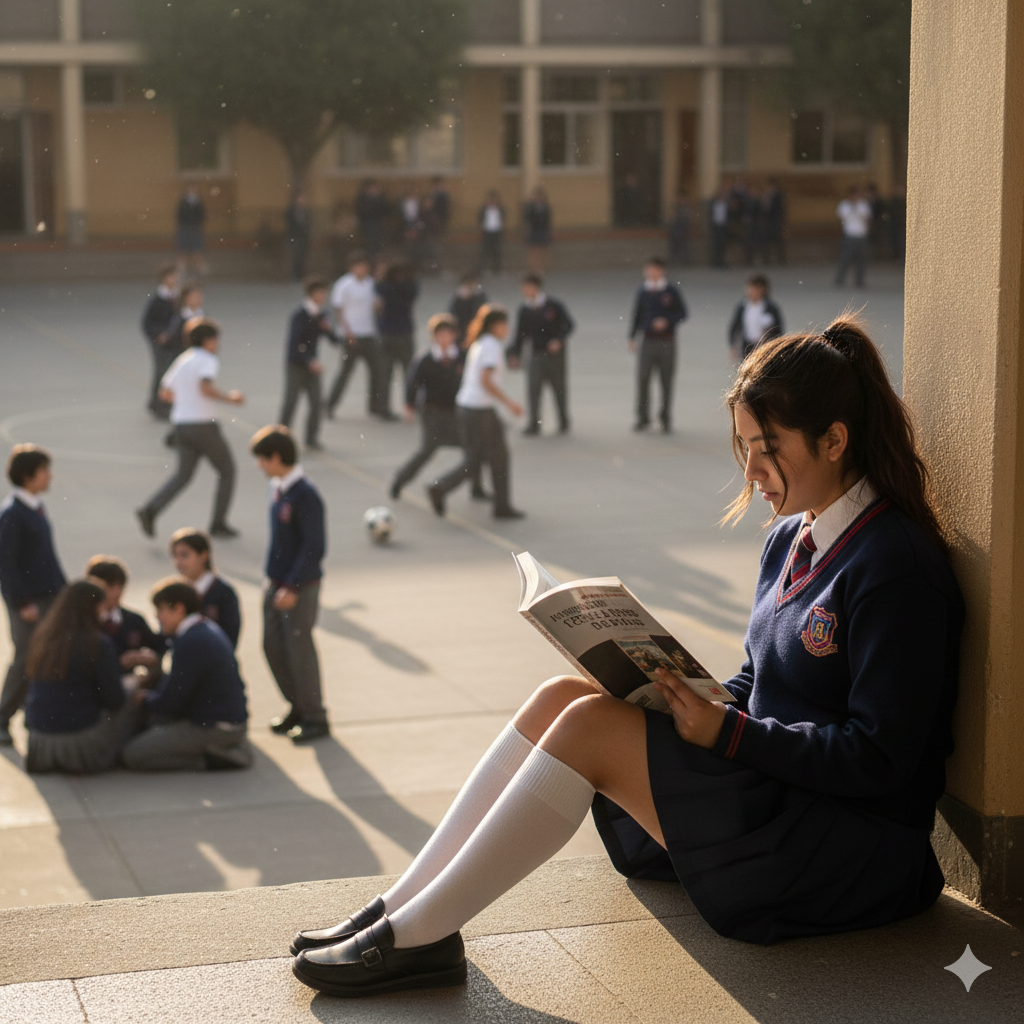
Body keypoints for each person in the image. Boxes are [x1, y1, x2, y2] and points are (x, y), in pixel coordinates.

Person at [288, 315, 965, 998]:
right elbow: (763, 680)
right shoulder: (793, 536)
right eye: (743, 447)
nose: (751, 470)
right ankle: (402, 908)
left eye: (767, 447)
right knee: (565, 697)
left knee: (587, 730)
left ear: (835, 440)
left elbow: (883, 759)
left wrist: (729, 731)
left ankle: (418, 940)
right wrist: (661, 685)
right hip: (783, 794)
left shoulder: (894, 565)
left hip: (855, 850)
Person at [250, 426, 330, 743]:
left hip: (297, 588)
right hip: (276, 582)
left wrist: (293, 586)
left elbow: (314, 547)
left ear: (277, 457)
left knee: (299, 651)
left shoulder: (305, 495)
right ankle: (296, 706)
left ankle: (315, 716)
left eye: (262, 459)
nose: (259, 466)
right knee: (273, 646)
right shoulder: (278, 487)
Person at [122, 578, 252, 771]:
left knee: (133, 755)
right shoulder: (203, 628)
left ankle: (216, 757)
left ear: (179, 609)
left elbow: (170, 703)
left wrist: (144, 699)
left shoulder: (191, 641)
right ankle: (222, 746)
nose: (157, 617)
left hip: (213, 726)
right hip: (227, 720)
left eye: (161, 610)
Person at [136, 318, 245, 540]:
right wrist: (229, 398)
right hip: (202, 425)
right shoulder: (208, 360)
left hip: (181, 425)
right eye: (216, 340)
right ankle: (218, 522)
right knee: (227, 471)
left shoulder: (183, 360)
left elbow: (165, 393)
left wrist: (186, 399)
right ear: (208, 341)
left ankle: (151, 509)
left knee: (183, 475)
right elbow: (205, 387)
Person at [23, 579, 138, 774]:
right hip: (79, 745)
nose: (104, 613)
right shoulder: (97, 643)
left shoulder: (44, 638)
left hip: (38, 744)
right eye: (102, 607)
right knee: (134, 696)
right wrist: (133, 682)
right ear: (92, 608)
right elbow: (114, 700)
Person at [428, 306, 525, 520]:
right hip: (480, 409)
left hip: (468, 406)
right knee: (494, 457)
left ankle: (445, 487)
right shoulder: (490, 346)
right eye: (504, 324)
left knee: (478, 457)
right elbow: (485, 380)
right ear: (495, 326)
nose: (507, 329)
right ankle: (445, 487)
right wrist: (510, 403)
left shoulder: (479, 343)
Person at [0, 445, 66, 746]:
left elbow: (46, 556)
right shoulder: (13, 514)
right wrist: (22, 602)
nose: (49, 476)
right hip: (29, 602)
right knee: (26, 657)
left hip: (48, 596)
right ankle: (3, 716)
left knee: (46, 656)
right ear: (28, 476)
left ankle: (33, 712)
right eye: (44, 471)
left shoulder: (35, 506)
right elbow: (7, 563)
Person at [390, 314, 468, 500]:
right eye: (439, 335)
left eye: (447, 334)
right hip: (432, 412)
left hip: (456, 412)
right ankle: (400, 480)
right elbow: (412, 383)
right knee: (428, 449)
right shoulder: (425, 359)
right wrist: (409, 406)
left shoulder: (462, 357)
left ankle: (476, 487)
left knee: (472, 449)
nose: (443, 338)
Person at [507, 273, 574, 436]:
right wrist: (514, 353)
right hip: (536, 354)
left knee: (559, 388)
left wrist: (558, 340)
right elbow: (520, 335)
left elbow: (569, 325)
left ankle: (563, 421)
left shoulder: (553, 305)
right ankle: (534, 423)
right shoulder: (525, 310)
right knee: (533, 390)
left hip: (555, 355)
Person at [326, 252, 391, 420]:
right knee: (345, 372)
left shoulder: (371, 283)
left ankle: (375, 406)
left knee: (377, 371)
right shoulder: (344, 285)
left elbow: (376, 306)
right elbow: (338, 310)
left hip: (368, 333)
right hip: (351, 335)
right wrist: (347, 332)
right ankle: (329, 405)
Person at [628, 257, 688, 433]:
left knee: (666, 380)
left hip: (667, 341)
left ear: (662, 271)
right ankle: (642, 417)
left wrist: (667, 321)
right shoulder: (643, 292)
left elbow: (683, 313)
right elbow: (636, 315)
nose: (652, 273)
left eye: (655, 269)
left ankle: (665, 417)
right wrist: (632, 337)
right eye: (649, 269)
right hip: (647, 340)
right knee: (643, 379)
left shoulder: (670, 291)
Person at [280, 276, 337, 452]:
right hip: (296, 364)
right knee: (291, 401)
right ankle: (281, 438)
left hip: (312, 365)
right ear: (312, 294)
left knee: (316, 402)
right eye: (320, 293)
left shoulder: (322, 314)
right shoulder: (300, 314)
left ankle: (311, 438)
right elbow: (294, 344)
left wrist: (329, 330)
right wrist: (308, 360)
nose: (323, 296)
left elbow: (333, 340)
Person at [85, 556, 163, 683]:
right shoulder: (85, 622)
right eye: (110, 586)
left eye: (120, 586)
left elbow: (158, 648)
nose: (117, 593)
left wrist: (148, 658)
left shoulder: (134, 620)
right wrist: (118, 663)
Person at [169, 527, 242, 650]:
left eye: (184, 555)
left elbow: (230, 638)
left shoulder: (224, 593)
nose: (178, 562)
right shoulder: (174, 592)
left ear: (203, 555)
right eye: (175, 556)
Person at [375, 262, 420, 419]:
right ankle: (411, 406)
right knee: (410, 373)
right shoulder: (408, 289)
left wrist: (382, 274)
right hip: (404, 334)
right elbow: (415, 288)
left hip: (387, 334)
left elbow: (378, 287)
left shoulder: (386, 288)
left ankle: (383, 408)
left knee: (386, 374)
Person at [141, 263, 181, 420]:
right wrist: (159, 335)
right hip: (160, 341)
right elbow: (147, 323)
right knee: (162, 372)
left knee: (173, 371)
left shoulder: (177, 297)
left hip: (174, 340)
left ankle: (164, 403)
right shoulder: (157, 300)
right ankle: (158, 404)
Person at [727, 274, 784, 361]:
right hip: (747, 345)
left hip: (765, 346)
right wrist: (733, 346)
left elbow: (779, 329)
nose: (753, 292)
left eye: (757, 289)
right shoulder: (742, 307)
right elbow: (735, 326)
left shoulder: (771, 308)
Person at [835, 185, 872, 288]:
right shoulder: (844, 205)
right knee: (845, 258)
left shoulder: (862, 204)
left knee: (861, 260)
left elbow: (867, 216)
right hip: (850, 234)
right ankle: (840, 278)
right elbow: (842, 217)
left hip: (861, 235)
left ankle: (859, 280)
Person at [175, 186, 207, 276]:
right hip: (185, 228)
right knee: (183, 250)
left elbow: (202, 215)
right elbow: (179, 215)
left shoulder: (199, 203)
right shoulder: (182, 202)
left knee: (197, 250)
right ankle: (182, 269)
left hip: (195, 228)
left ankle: (200, 269)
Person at [449, 272, 487, 346]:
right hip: (461, 334)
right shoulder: (458, 299)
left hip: (477, 332)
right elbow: (454, 317)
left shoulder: (480, 297)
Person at [522, 187, 552, 274]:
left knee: (541, 251)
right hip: (533, 230)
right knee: (532, 250)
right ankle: (532, 268)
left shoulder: (546, 207)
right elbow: (526, 218)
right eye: (536, 196)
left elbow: (548, 220)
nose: (538, 197)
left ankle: (540, 268)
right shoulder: (530, 207)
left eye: (539, 196)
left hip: (542, 230)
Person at [285, 192, 312, 282]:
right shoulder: (291, 210)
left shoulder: (304, 211)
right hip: (295, 237)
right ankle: (295, 275)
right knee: (295, 257)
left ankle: (300, 275)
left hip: (303, 237)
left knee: (302, 257)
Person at [478, 191, 505, 275]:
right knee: (485, 251)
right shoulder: (484, 210)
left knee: (496, 252)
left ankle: (496, 270)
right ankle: (483, 269)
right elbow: (480, 219)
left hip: (496, 232)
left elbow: (503, 219)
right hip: (487, 232)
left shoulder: (500, 210)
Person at [666, 192, 691, 266]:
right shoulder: (677, 208)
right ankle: (674, 259)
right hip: (677, 232)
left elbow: (686, 221)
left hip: (682, 231)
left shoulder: (686, 209)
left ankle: (685, 260)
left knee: (682, 246)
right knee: (675, 246)